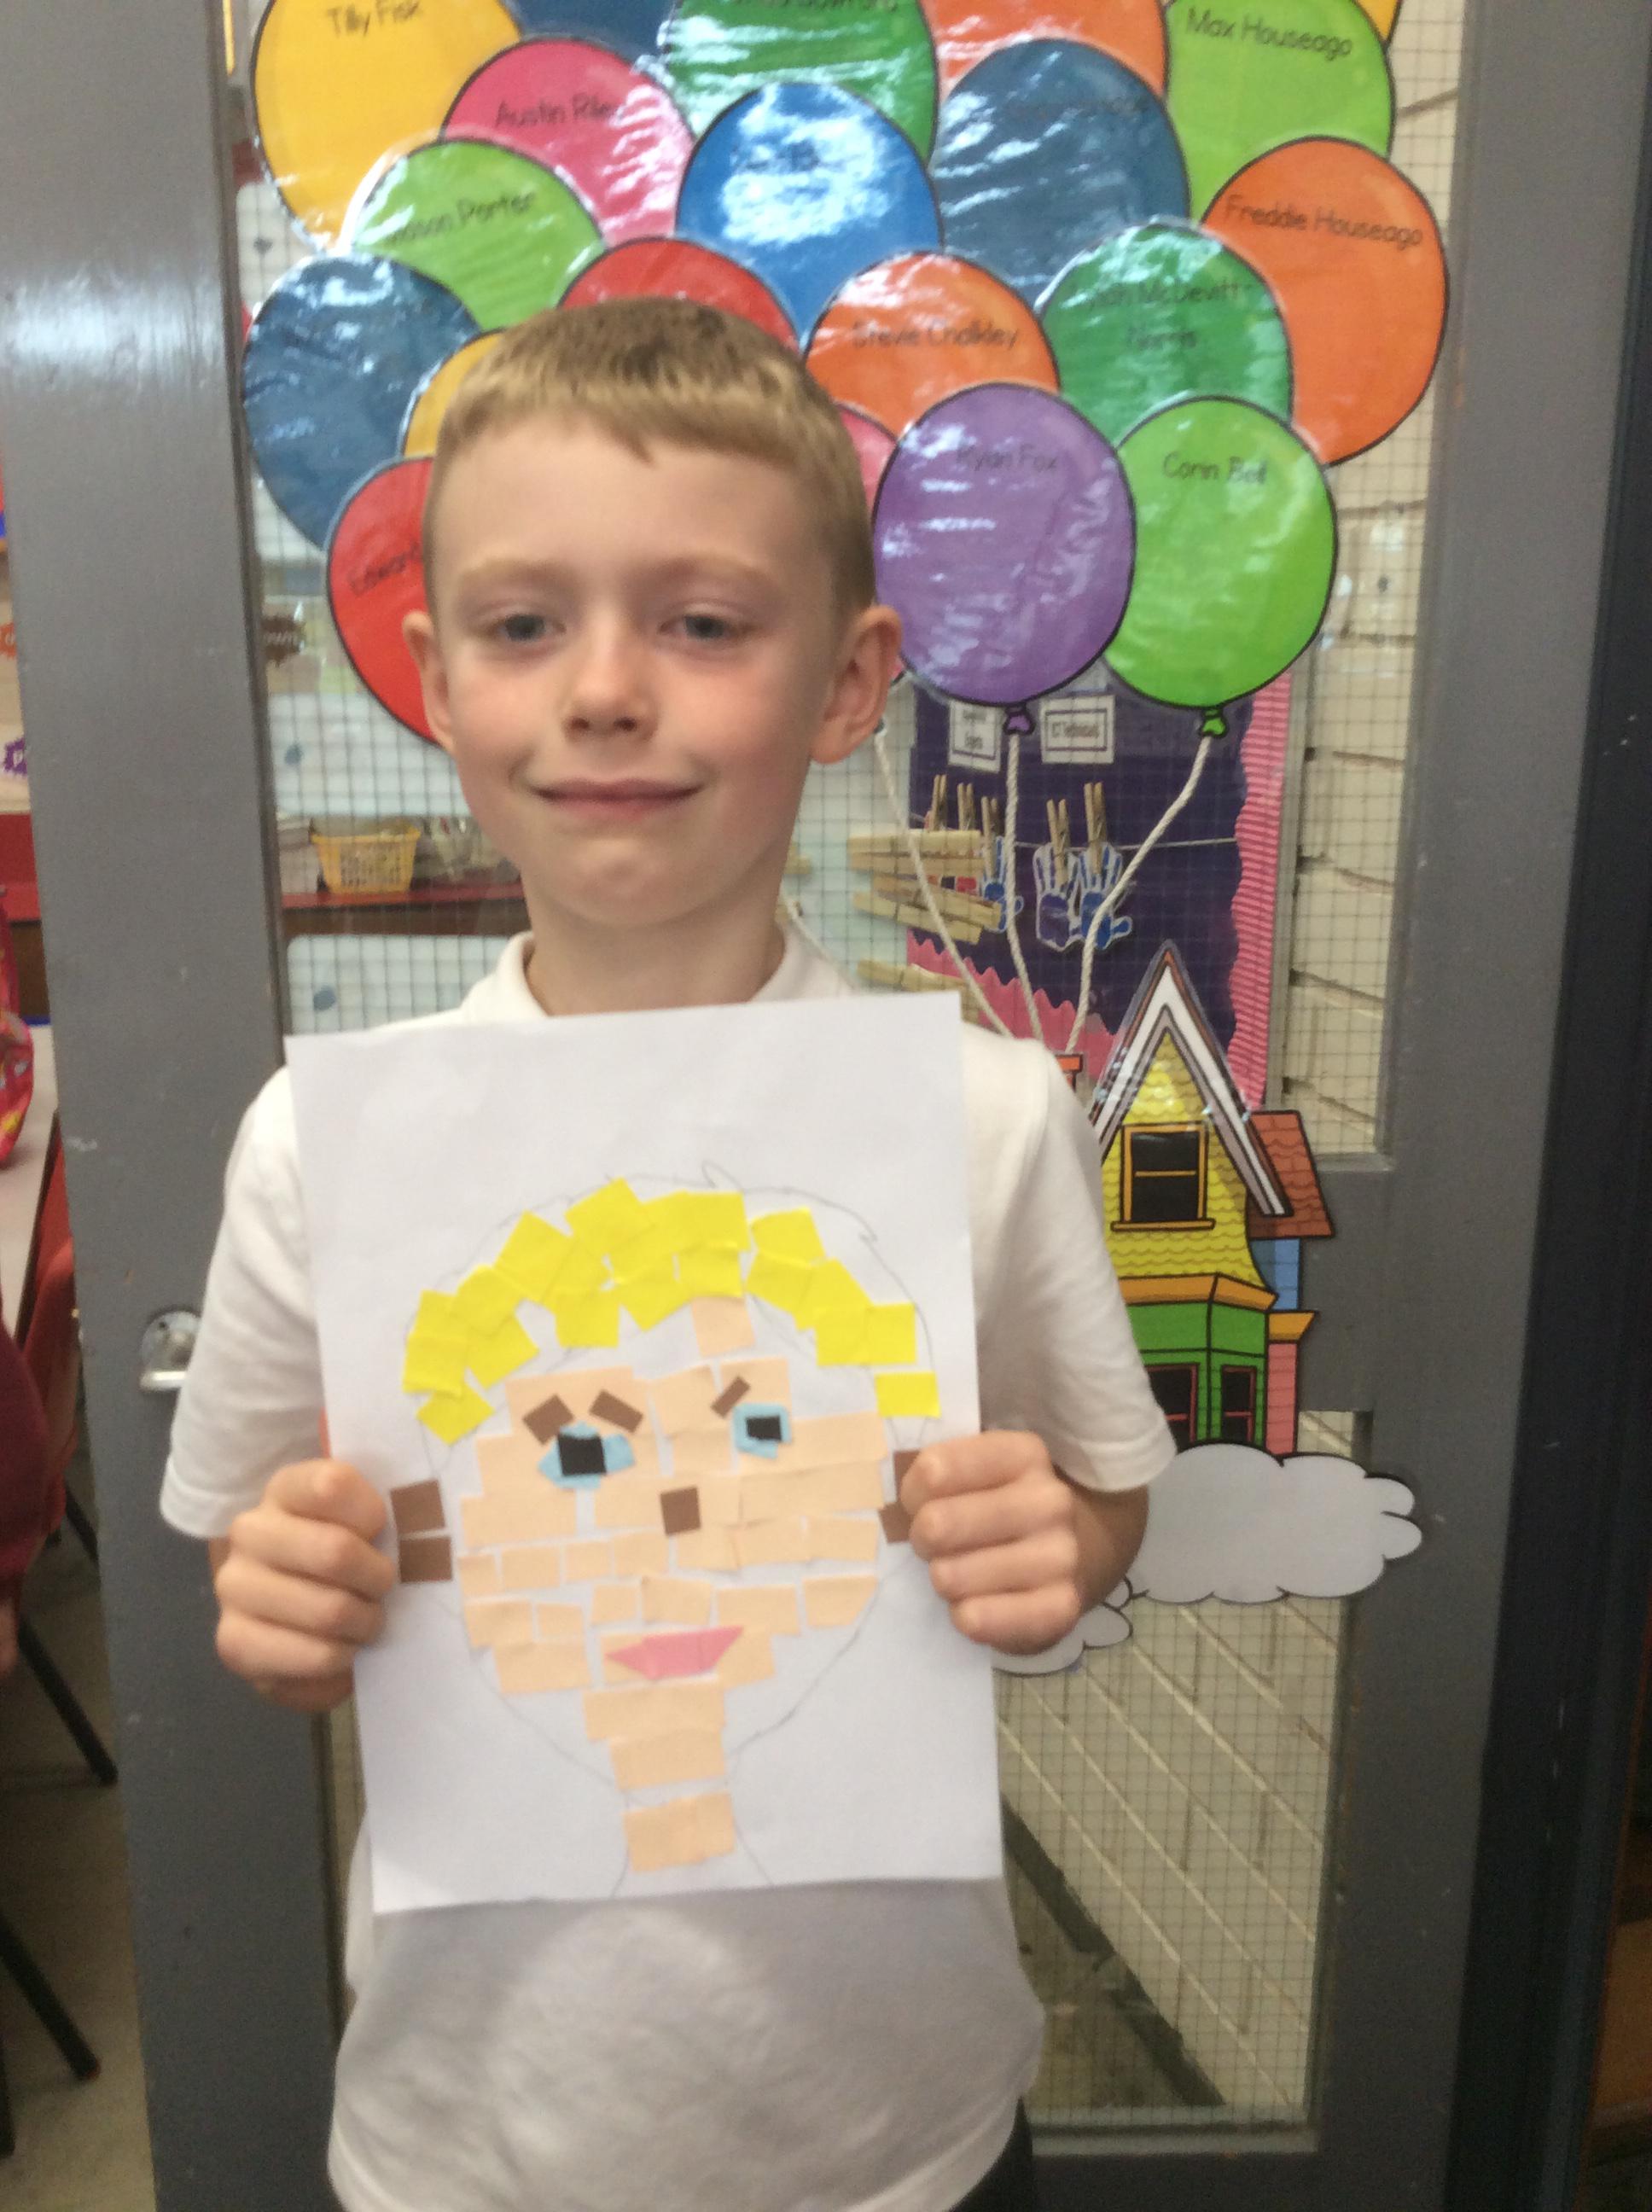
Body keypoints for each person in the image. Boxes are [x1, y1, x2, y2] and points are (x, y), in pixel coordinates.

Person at [162, 298, 1176, 2212]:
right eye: (522, 624)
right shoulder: (325, 1150)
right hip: (472, 2137)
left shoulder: (976, 1123)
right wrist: (283, 1591)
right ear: (433, 679)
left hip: (904, 2137)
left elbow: (1098, 1492)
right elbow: (260, 1541)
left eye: (703, 623)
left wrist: (1057, 1544)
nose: (607, 691)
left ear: (849, 682)